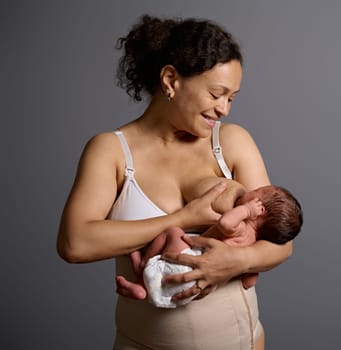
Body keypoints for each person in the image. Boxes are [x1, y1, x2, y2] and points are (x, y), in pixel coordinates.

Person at [56, 14, 293, 350]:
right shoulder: (111, 151)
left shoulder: (233, 143)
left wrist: (233, 262)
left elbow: (281, 242)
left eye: (232, 98)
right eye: (216, 93)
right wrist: (182, 219)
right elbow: (74, 244)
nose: (224, 108)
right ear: (170, 79)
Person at [116, 177, 303, 308]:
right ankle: (142, 289)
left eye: (254, 192)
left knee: (173, 232)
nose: (248, 191)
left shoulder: (241, 228)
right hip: (196, 291)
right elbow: (249, 281)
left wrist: (246, 210)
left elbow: (224, 223)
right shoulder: (253, 245)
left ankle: (142, 268)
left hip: (189, 265)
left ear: (259, 210)